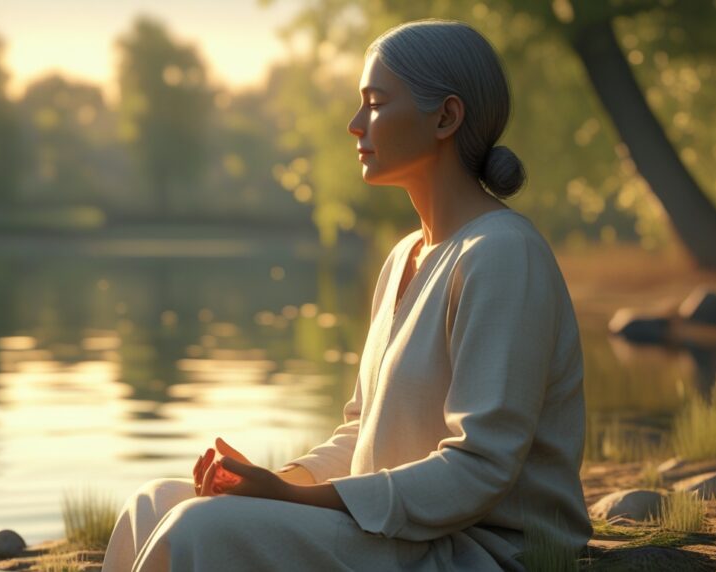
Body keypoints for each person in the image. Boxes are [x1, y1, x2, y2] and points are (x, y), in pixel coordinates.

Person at [101, 18, 592, 572]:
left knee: (196, 528)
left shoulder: (503, 253)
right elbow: (362, 433)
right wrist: (276, 481)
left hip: (480, 549)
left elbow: (480, 466)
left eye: (376, 103)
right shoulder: (405, 255)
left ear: (446, 117)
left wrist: (293, 501)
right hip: (395, 530)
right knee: (156, 503)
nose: (355, 124)